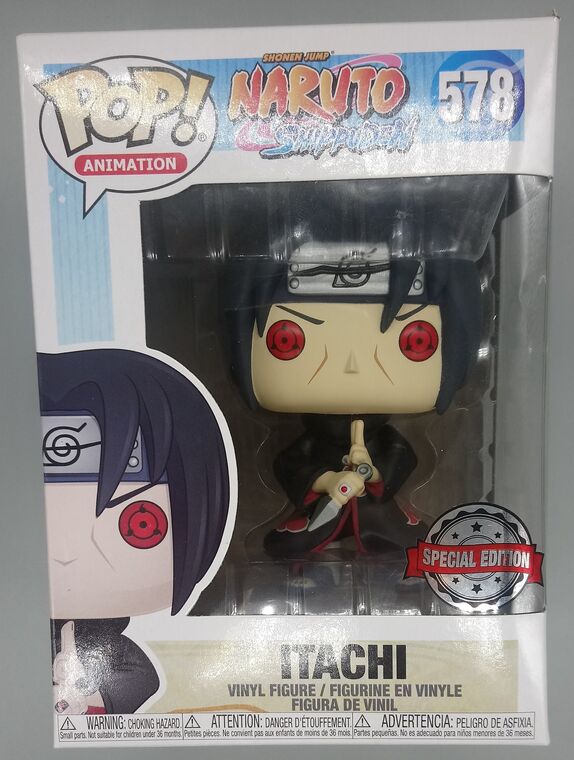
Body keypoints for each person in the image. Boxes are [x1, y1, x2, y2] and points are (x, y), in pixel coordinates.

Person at [38, 349, 231, 713]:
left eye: (141, 525)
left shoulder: (112, 649)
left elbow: (144, 679)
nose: (65, 553)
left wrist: (89, 698)